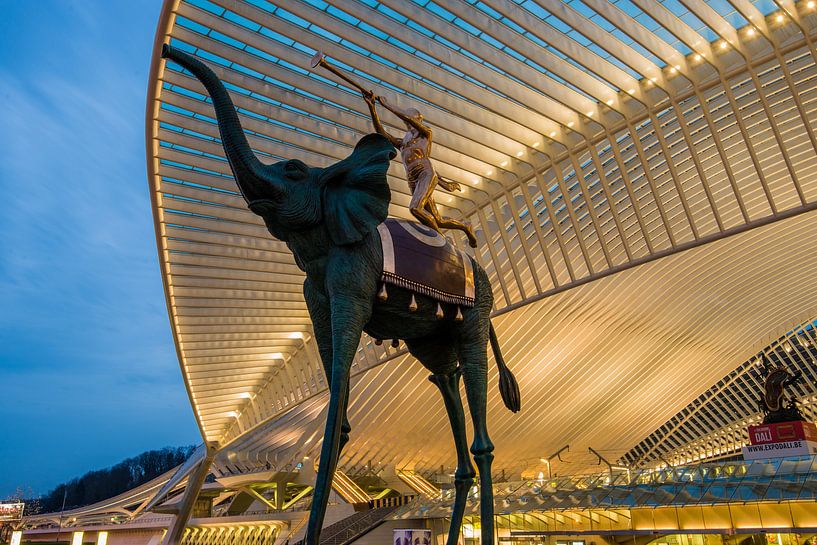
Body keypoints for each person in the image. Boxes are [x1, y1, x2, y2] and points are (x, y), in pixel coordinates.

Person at [362, 90, 478, 248]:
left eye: (410, 120)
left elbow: (407, 117)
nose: (407, 123)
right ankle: (465, 226)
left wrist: (387, 105)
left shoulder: (426, 133)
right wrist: (373, 109)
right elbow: (381, 133)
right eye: (406, 122)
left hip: (425, 173)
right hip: (413, 180)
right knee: (436, 219)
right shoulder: (404, 142)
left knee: (415, 208)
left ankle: (442, 243)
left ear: (417, 120)